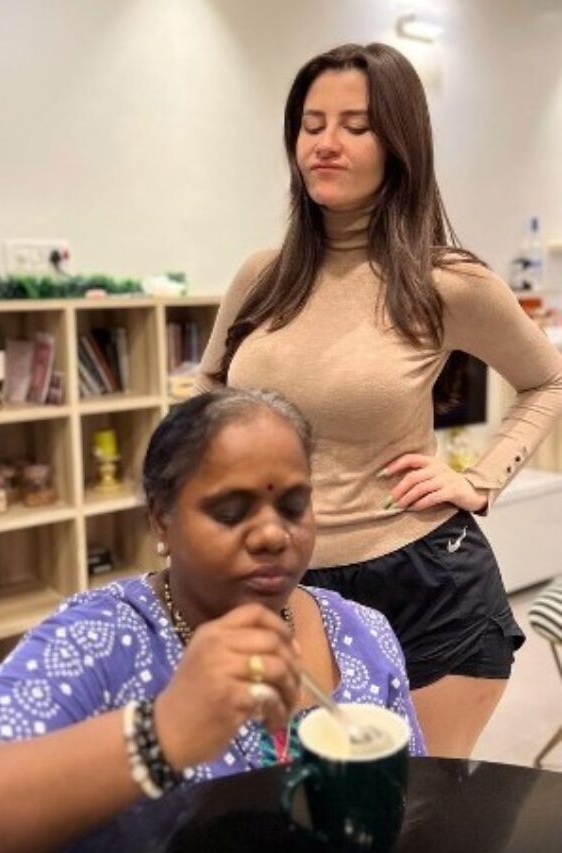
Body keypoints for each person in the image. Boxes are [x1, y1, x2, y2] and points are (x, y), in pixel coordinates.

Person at [195, 42, 562, 758]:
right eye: (311, 124)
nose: (325, 143)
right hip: (284, 577)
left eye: (355, 126)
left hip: (422, 582)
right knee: (299, 789)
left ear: (399, 143)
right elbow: (212, 384)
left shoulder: (445, 282)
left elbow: (548, 379)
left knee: (415, 801)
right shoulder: (262, 277)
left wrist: (481, 479)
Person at [0, 388, 424, 852]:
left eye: (293, 507)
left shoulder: (363, 634)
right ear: (161, 518)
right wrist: (160, 734)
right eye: (231, 512)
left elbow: (420, 797)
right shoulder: (99, 641)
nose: (273, 535)